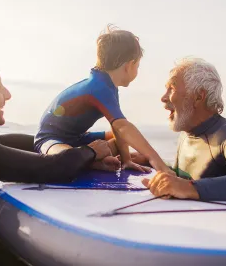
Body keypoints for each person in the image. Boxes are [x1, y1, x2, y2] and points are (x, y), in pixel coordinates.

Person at [0, 45, 112, 250]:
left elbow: (37, 144)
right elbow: (51, 168)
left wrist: (89, 155)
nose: (7, 94)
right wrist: (92, 151)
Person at [34, 25, 171, 174]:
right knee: (66, 156)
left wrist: (127, 160)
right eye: (137, 66)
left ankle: (92, 160)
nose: (137, 70)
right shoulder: (98, 87)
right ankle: (90, 162)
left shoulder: (109, 87)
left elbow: (117, 129)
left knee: (119, 137)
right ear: (130, 65)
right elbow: (123, 126)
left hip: (77, 139)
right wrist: (158, 163)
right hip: (51, 139)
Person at [142, 57, 226, 201]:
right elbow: (182, 176)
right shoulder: (186, 135)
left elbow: (185, 184)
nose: (163, 98)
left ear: (198, 97)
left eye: (172, 88)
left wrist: (188, 188)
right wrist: (148, 160)